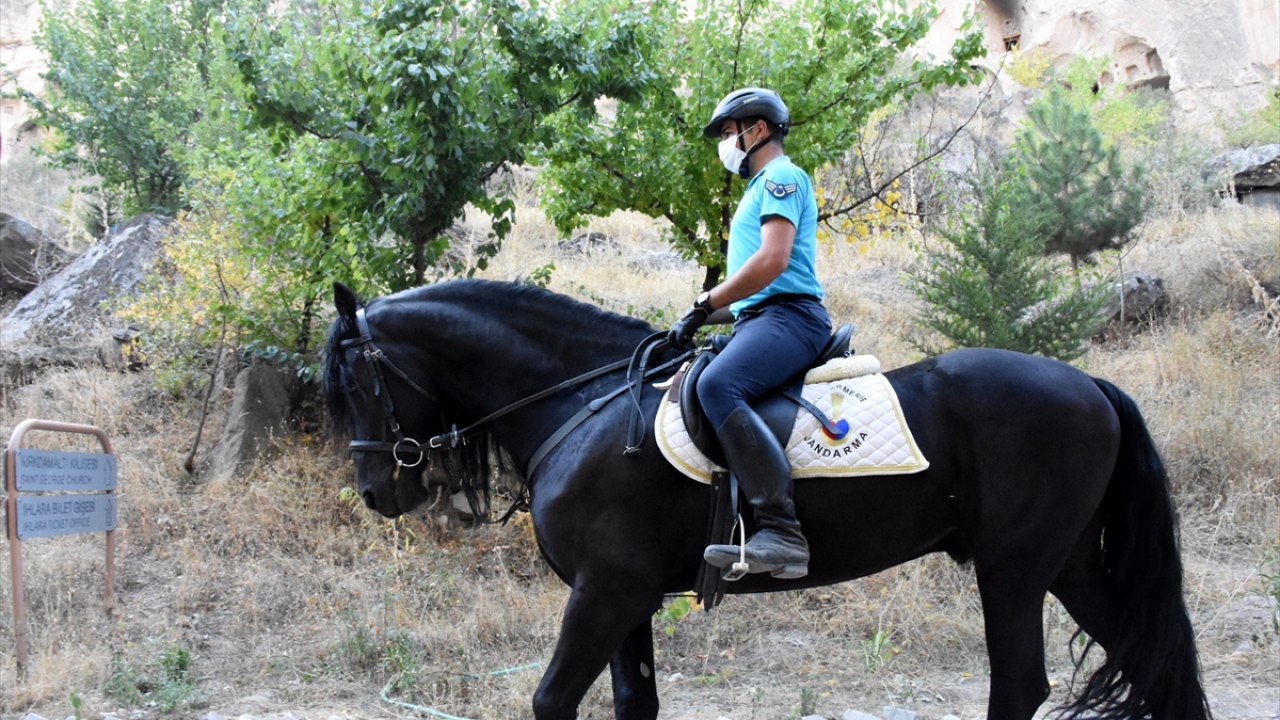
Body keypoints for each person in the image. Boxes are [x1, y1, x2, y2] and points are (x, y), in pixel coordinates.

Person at [668, 87, 831, 580]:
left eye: (728, 132)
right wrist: (699, 318)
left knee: (720, 385)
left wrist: (706, 300)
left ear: (757, 130)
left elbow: (772, 262)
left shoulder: (780, 176)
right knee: (698, 375)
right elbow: (751, 291)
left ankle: (782, 530)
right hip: (762, 318)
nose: (726, 143)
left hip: (791, 319)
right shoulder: (759, 187)